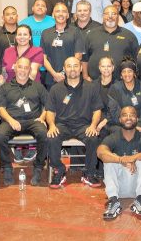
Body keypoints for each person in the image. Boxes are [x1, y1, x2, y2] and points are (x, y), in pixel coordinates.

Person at [44, 57, 105, 188]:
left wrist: (93, 126)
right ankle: (59, 170)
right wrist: (52, 125)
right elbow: (50, 111)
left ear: (81, 68)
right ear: (64, 69)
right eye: (69, 66)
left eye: (76, 66)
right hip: (62, 125)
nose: (73, 69)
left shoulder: (91, 87)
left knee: (93, 138)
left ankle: (89, 173)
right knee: (51, 137)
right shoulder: (55, 89)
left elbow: (97, 110)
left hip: (84, 126)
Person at [0, 57, 50, 186]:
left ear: (30, 70)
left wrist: (42, 117)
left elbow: (48, 105)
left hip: (33, 120)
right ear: (15, 67)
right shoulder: (5, 87)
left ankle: (38, 168)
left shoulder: (38, 87)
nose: (23, 70)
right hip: (11, 120)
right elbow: (0, 108)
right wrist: (10, 120)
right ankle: (7, 167)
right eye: (20, 67)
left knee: (44, 135)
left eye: (26, 68)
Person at [99, 106, 141, 220]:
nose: (128, 118)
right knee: (109, 160)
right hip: (118, 188)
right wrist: (121, 160)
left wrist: (134, 158)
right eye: (125, 115)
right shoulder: (114, 137)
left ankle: (140, 200)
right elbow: (100, 152)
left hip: (138, 187)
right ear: (119, 119)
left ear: (137, 119)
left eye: (132, 115)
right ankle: (113, 202)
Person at [109, 59, 141, 184]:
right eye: (124, 72)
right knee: (117, 136)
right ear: (120, 75)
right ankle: (124, 169)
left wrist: (140, 124)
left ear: (134, 73)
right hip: (122, 124)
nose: (127, 74)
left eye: (130, 71)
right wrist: (128, 124)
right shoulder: (115, 88)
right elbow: (114, 109)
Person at [80, 5, 137, 81]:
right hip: (94, 82)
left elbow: (136, 59)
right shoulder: (91, 35)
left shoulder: (129, 35)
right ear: (103, 16)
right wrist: (85, 76)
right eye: (107, 14)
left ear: (118, 17)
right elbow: (84, 59)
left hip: (121, 84)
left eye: (113, 14)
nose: (110, 17)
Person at [42, 3, 83, 88]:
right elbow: (43, 58)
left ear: (68, 15)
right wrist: (54, 74)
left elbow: (78, 56)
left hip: (70, 78)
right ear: (53, 15)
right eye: (57, 11)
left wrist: (63, 73)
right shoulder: (45, 33)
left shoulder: (76, 32)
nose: (61, 14)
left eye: (64, 11)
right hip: (51, 78)